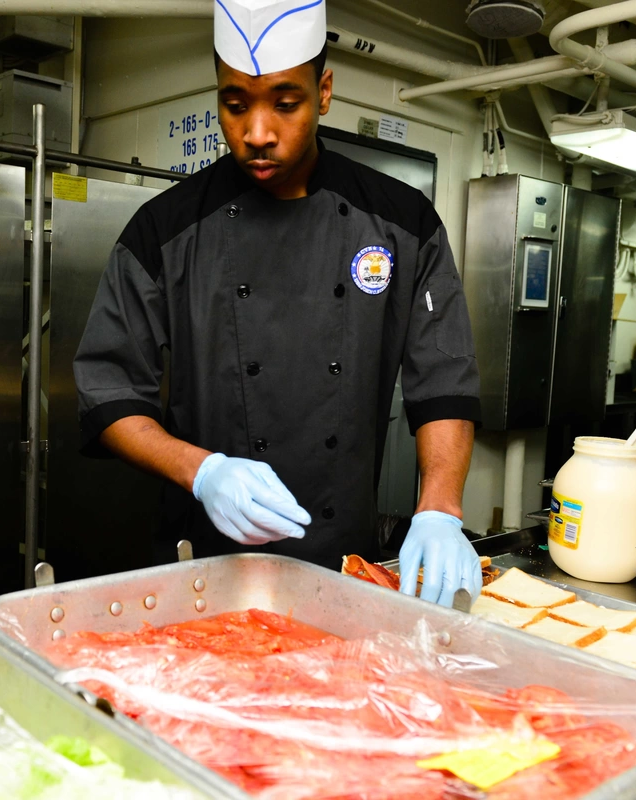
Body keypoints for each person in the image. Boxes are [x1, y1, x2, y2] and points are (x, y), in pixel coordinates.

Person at [73, 0, 483, 607]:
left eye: (285, 104)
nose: (257, 132)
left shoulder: (402, 223)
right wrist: (203, 471)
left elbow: (443, 384)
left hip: (345, 564)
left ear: (324, 92)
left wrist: (440, 509)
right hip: (205, 566)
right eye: (234, 104)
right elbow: (107, 394)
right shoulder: (163, 231)